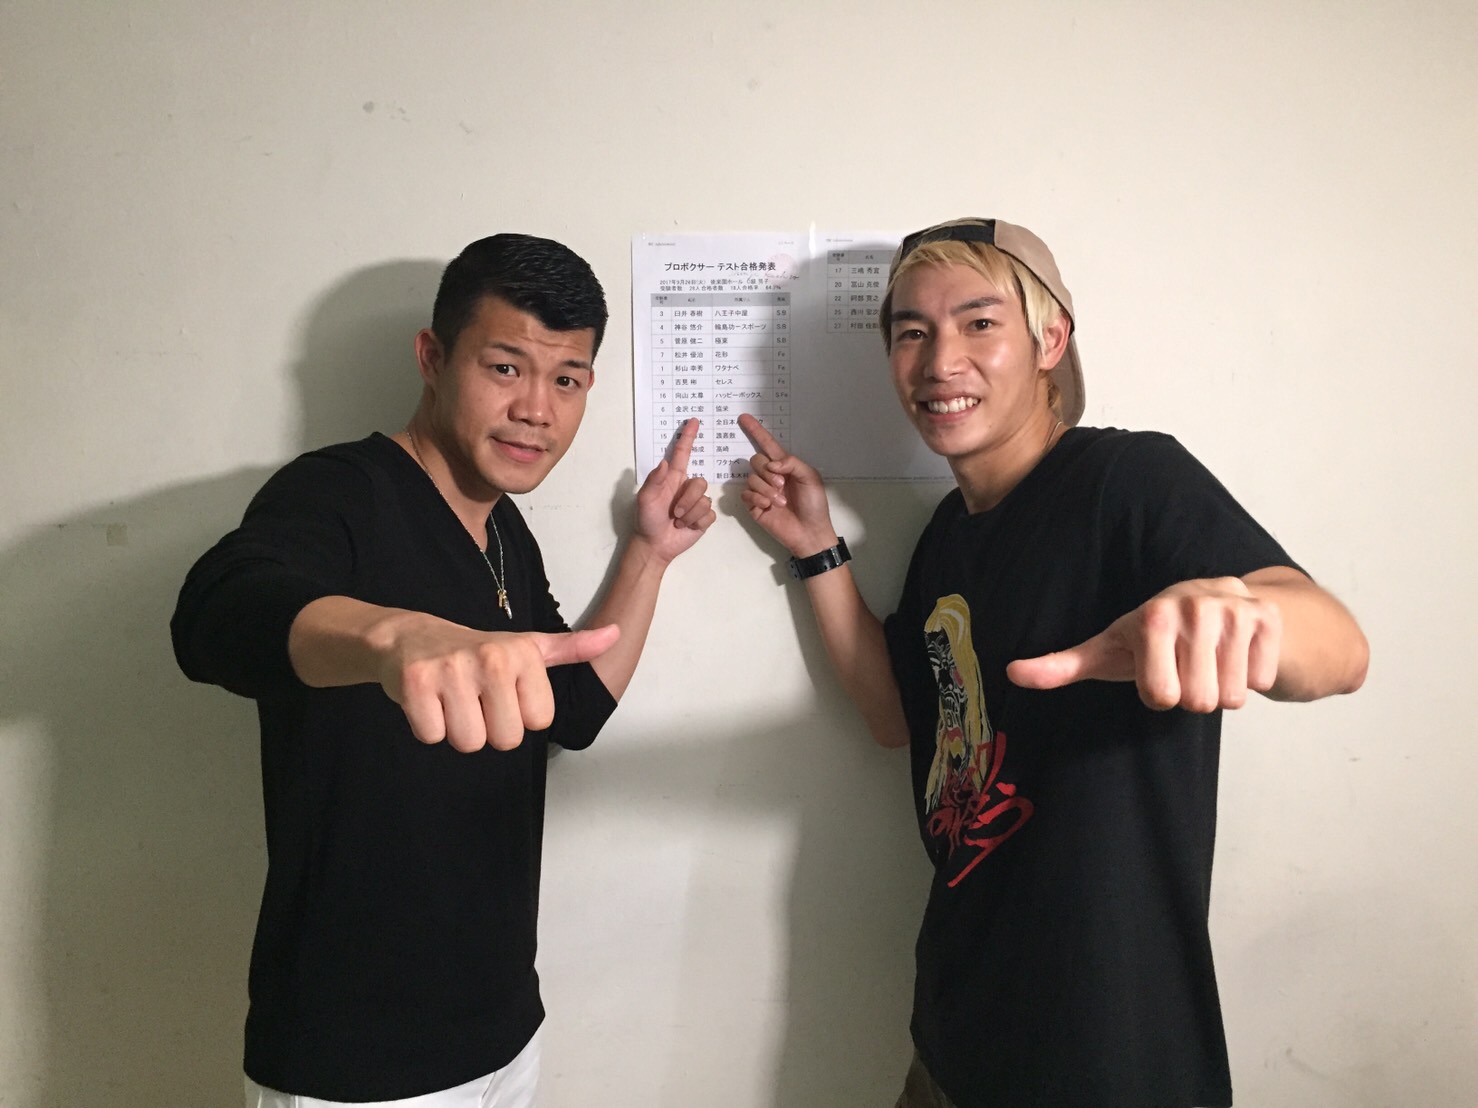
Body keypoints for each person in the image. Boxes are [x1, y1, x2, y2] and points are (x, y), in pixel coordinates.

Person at [739, 217, 1368, 1108]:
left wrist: (1249, 615)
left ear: (1050, 341)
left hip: (1106, 1058)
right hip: (951, 1042)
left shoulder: (1128, 479)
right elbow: (895, 719)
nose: (940, 360)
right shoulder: (946, 536)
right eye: (912, 332)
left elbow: (1339, 647)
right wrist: (817, 549)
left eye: (979, 322)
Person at [172, 233, 715, 1108]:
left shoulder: (504, 530)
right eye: (505, 368)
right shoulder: (338, 491)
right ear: (433, 358)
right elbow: (215, 615)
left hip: (502, 1032)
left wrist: (649, 555)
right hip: (357, 1062)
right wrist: (393, 637)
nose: (536, 409)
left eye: (567, 380)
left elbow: (570, 709)